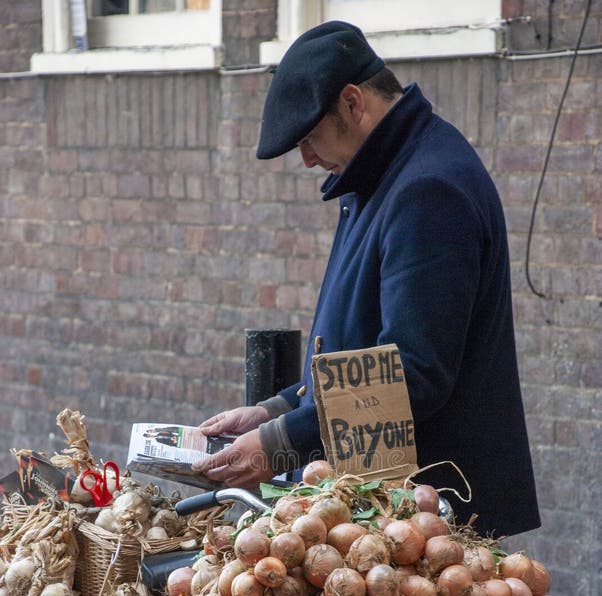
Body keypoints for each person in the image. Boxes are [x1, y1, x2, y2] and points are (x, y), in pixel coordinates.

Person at [192, 20, 540, 538]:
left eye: (310, 137)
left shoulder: (427, 189)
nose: (307, 158)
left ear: (353, 103)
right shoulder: (386, 174)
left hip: (429, 520)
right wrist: (274, 410)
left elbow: (411, 373)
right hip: (385, 509)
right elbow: (359, 354)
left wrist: (282, 441)